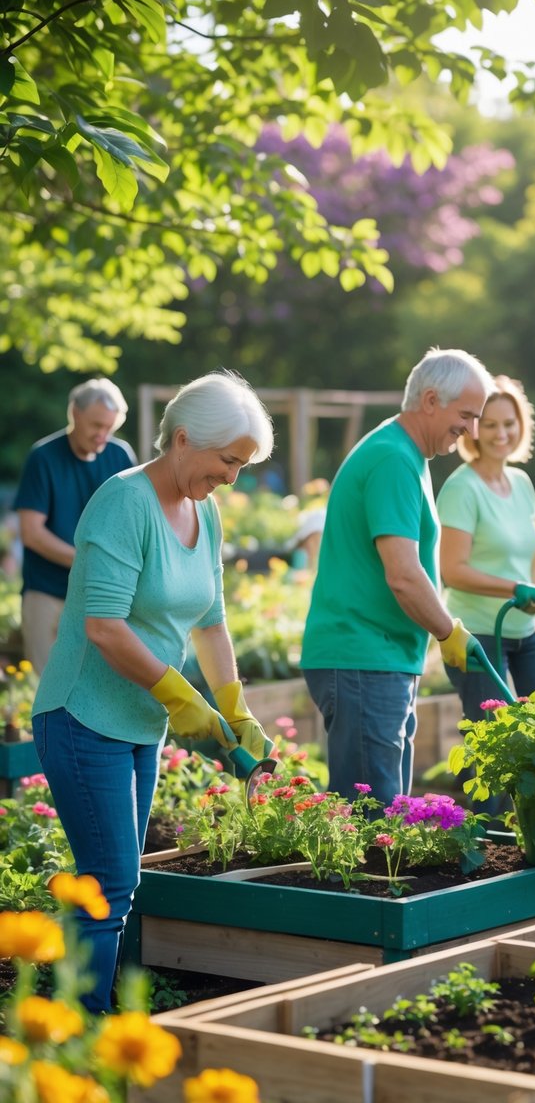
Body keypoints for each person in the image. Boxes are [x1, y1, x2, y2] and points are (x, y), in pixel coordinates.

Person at [31, 371, 274, 1013]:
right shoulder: (123, 501)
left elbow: (212, 620)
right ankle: (81, 1030)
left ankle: (79, 1016)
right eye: (228, 461)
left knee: (118, 881)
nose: (232, 478)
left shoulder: (205, 509)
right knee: (109, 882)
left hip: (139, 721)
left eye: (241, 466)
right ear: (185, 439)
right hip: (82, 715)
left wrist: (232, 704)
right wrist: (178, 694)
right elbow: (104, 629)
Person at [301, 347, 494, 806]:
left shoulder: (407, 456)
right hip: (363, 656)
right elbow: (403, 575)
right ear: (430, 400)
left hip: (380, 658)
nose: (472, 431)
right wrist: (449, 632)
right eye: (466, 415)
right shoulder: (393, 459)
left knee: (386, 819)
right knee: (373, 827)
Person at [437, 375, 535, 716]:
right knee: (495, 742)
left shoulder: (521, 483)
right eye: (490, 424)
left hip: (526, 632)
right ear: (474, 429)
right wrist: (513, 588)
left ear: (521, 425)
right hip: (478, 637)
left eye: (509, 424)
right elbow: (452, 571)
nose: (501, 433)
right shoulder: (462, 489)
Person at [13, 378, 138, 675]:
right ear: (75, 414)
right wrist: (85, 561)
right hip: (47, 591)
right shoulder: (43, 457)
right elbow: (31, 533)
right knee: (45, 687)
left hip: (101, 594)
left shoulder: (120, 456)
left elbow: (132, 523)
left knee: (94, 688)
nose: (102, 435)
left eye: (109, 427)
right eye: (96, 425)